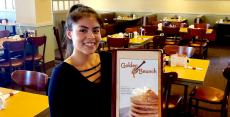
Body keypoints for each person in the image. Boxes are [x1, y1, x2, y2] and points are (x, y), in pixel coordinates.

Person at [48, 4, 112, 117]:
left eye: (96, 30)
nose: (91, 36)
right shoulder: (61, 75)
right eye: (83, 30)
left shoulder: (109, 60)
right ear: (69, 34)